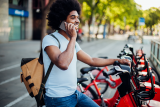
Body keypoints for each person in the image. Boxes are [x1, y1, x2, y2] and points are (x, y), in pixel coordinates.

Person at [42, 0, 131, 107]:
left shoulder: (71, 42)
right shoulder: (50, 39)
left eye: (78, 17)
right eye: (73, 17)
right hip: (58, 98)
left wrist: (117, 61)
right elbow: (63, 64)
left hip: (74, 93)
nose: (77, 21)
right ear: (61, 20)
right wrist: (74, 37)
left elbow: (91, 60)